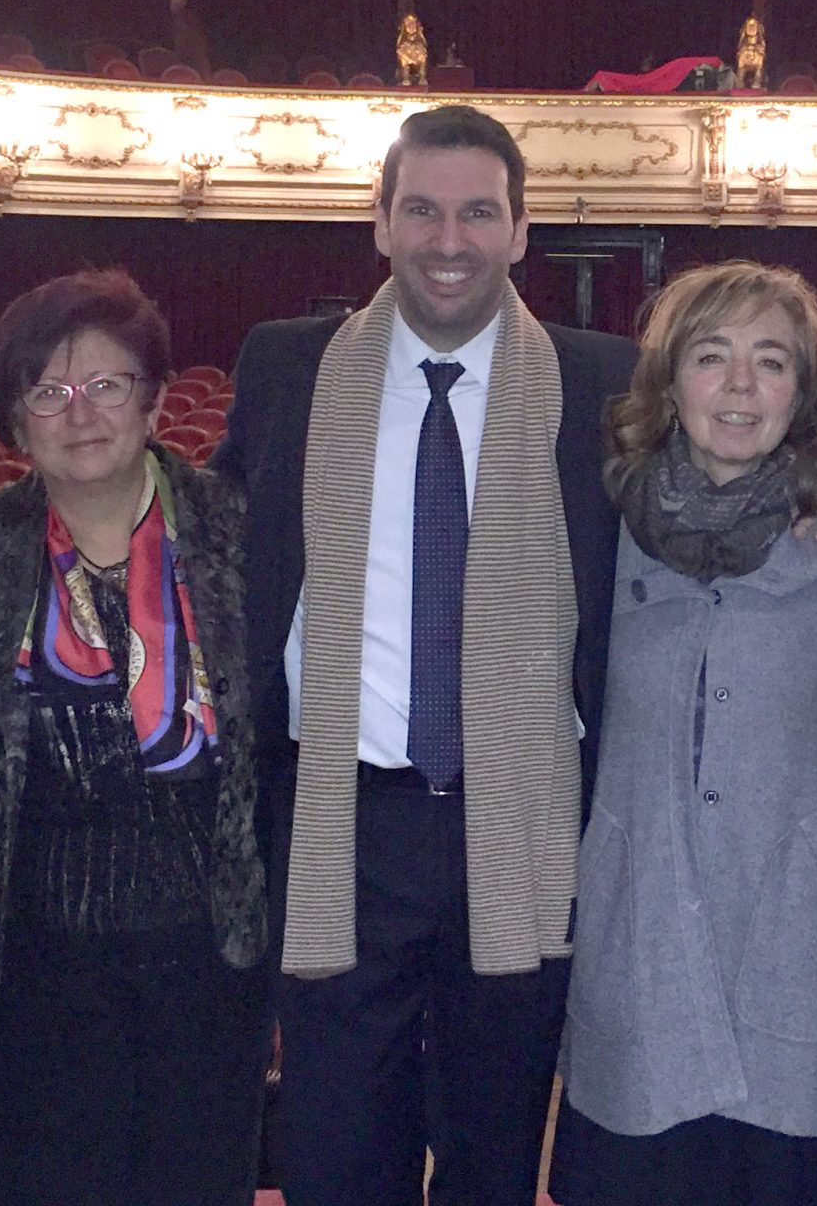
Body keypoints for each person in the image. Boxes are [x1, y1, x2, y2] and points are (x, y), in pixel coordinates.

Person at [211, 104, 637, 1206]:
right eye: (423, 210)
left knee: (496, 1156)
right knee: (336, 1155)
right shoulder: (288, 368)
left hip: (524, 817)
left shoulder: (601, 382)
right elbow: (214, 543)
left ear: (521, 231)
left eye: (478, 213)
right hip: (341, 820)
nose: (450, 240)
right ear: (381, 222)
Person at [553, 262, 817, 1206]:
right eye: (712, 357)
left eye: (771, 360)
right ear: (669, 382)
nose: (741, 386)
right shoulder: (595, 521)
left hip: (800, 947)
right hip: (644, 934)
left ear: (806, 389)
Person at [0, 270, 272, 1204]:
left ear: (155, 400)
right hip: (34, 968)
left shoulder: (242, 532)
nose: (79, 413)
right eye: (46, 391)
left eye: (106, 385)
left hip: (208, 958)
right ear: (15, 419)